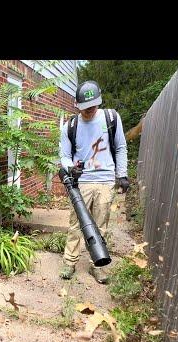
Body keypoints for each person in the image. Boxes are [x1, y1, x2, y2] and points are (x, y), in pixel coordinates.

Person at [59, 80, 130, 283]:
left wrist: (122, 175)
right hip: (80, 182)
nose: (89, 110)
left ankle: (97, 265)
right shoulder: (69, 126)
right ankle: (69, 262)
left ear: (99, 101)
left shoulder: (111, 118)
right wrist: (71, 167)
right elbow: (63, 156)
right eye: (85, 107)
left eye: (92, 106)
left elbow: (120, 147)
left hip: (105, 180)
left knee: (101, 225)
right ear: (77, 105)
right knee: (75, 224)